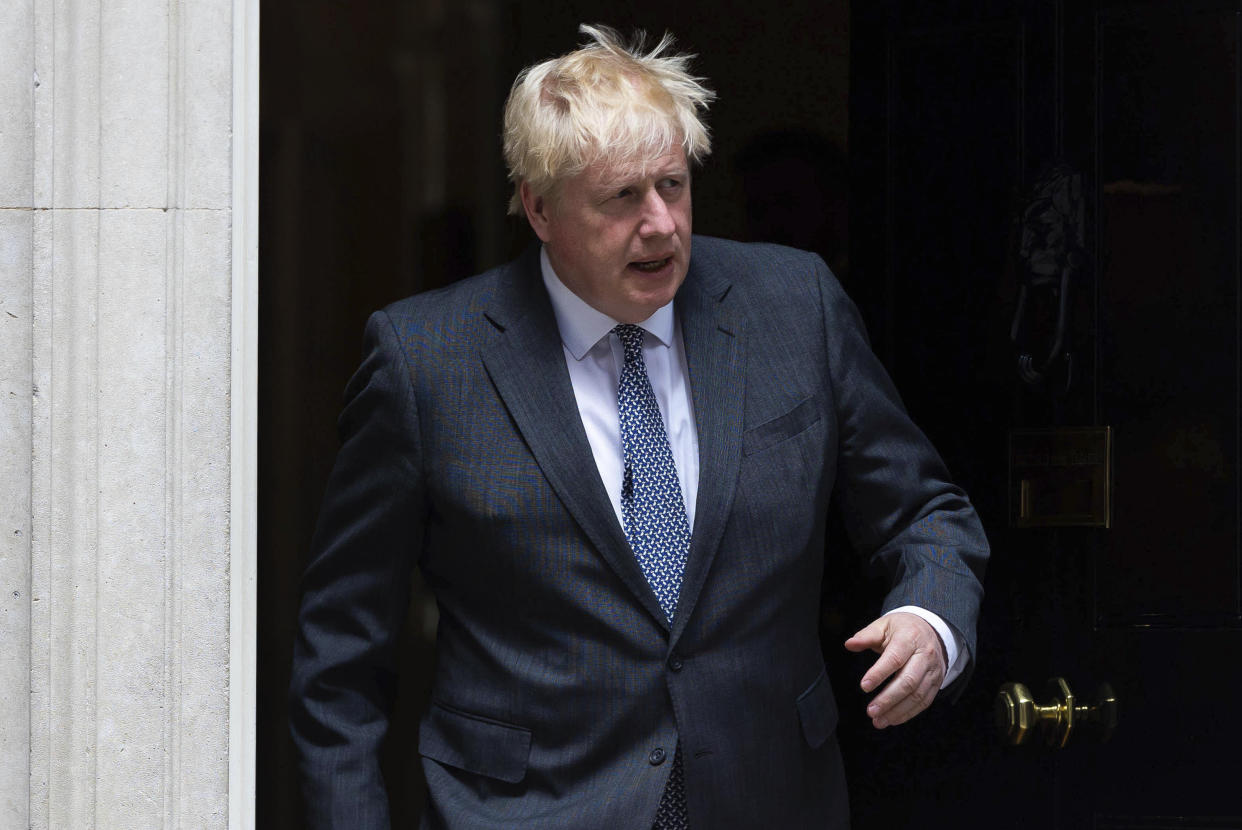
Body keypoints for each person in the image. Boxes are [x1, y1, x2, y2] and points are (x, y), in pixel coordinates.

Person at [290, 25, 988, 830]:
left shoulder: (795, 307)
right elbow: (338, 666)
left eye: (673, 186)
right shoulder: (425, 361)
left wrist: (931, 620)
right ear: (539, 207)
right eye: (622, 197)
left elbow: (925, 513)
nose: (660, 223)